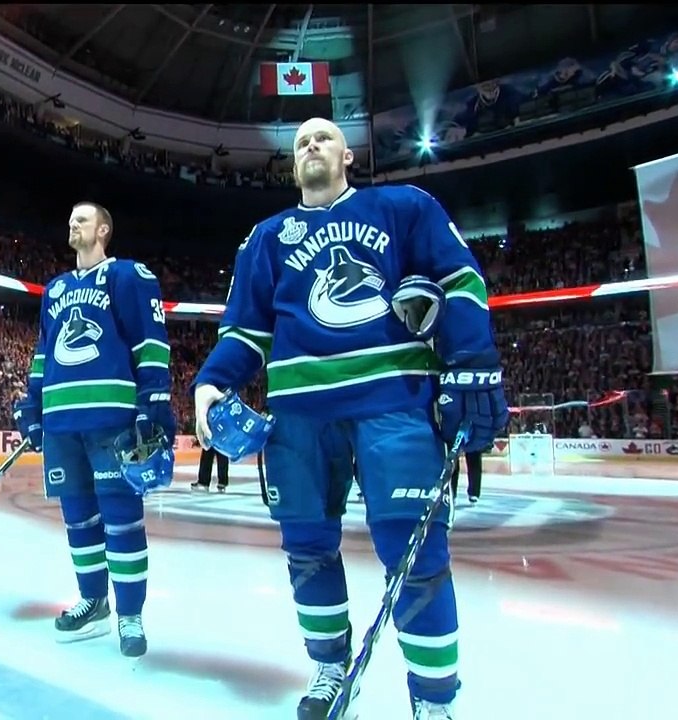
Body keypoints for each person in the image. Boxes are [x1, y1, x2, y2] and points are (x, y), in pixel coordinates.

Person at [193, 117, 508, 719]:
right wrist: (210, 381)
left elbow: (460, 278)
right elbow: (246, 331)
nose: (311, 146)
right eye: (301, 143)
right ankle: (331, 669)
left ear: (348, 155)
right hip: (299, 418)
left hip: (394, 405)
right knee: (307, 547)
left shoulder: (404, 207)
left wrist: (472, 356)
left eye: (324, 139)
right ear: (292, 166)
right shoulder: (266, 237)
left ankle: (434, 703)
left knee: (414, 553)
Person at [13, 201, 174, 658]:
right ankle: (93, 601)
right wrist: (32, 405)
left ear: (103, 228)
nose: (72, 224)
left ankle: (129, 613)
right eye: (69, 220)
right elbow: (44, 353)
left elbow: (150, 342)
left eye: (81, 219)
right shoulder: (56, 289)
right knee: (78, 518)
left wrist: (153, 402)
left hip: (111, 420)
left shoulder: (128, 276)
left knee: (122, 520)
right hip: (64, 424)